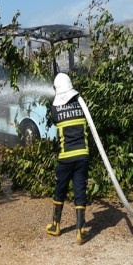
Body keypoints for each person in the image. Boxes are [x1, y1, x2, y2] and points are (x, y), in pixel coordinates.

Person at [46, 73, 90, 244]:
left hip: (65, 157)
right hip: (82, 156)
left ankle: (56, 225)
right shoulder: (81, 105)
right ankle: (80, 230)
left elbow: (55, 122)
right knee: (80, 190)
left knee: (60, 189)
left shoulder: (55, 110)